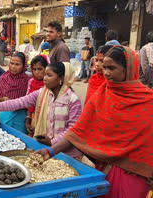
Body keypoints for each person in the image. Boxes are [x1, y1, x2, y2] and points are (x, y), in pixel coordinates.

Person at [35, 46, 153, 198]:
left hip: (135, 174)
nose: (107, 73)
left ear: (128, 69)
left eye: (112, 68)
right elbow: (78, 131)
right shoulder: (101, 96)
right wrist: (51, 151)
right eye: (105, 67)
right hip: (104, 169)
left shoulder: (147, 100)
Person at [0, 62, 82, 158]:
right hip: (47, 150)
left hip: (68, 154)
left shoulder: (73, 100)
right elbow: (18, 102)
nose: (44, 78)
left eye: (49, 75)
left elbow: (72, 130)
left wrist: (52, 142)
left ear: (61, 79)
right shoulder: (43, 93)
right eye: (45, 74)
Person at [0, 52, 30, 133]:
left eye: (17, 64)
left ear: (24, 65)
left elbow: (30, 101)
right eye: (12, 63)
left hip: (20, 117)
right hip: (4, 114)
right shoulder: (3, 78)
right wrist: (2, 99)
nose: (13, 67)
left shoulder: (27, 81)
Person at [25, 55, 49, 136]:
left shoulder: (51, 83)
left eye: (40, 69)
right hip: (34, 117)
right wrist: (28, 119)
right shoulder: (31, 82)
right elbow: (29, 102)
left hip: (47, 117)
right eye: (34, 69)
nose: (36, 72)